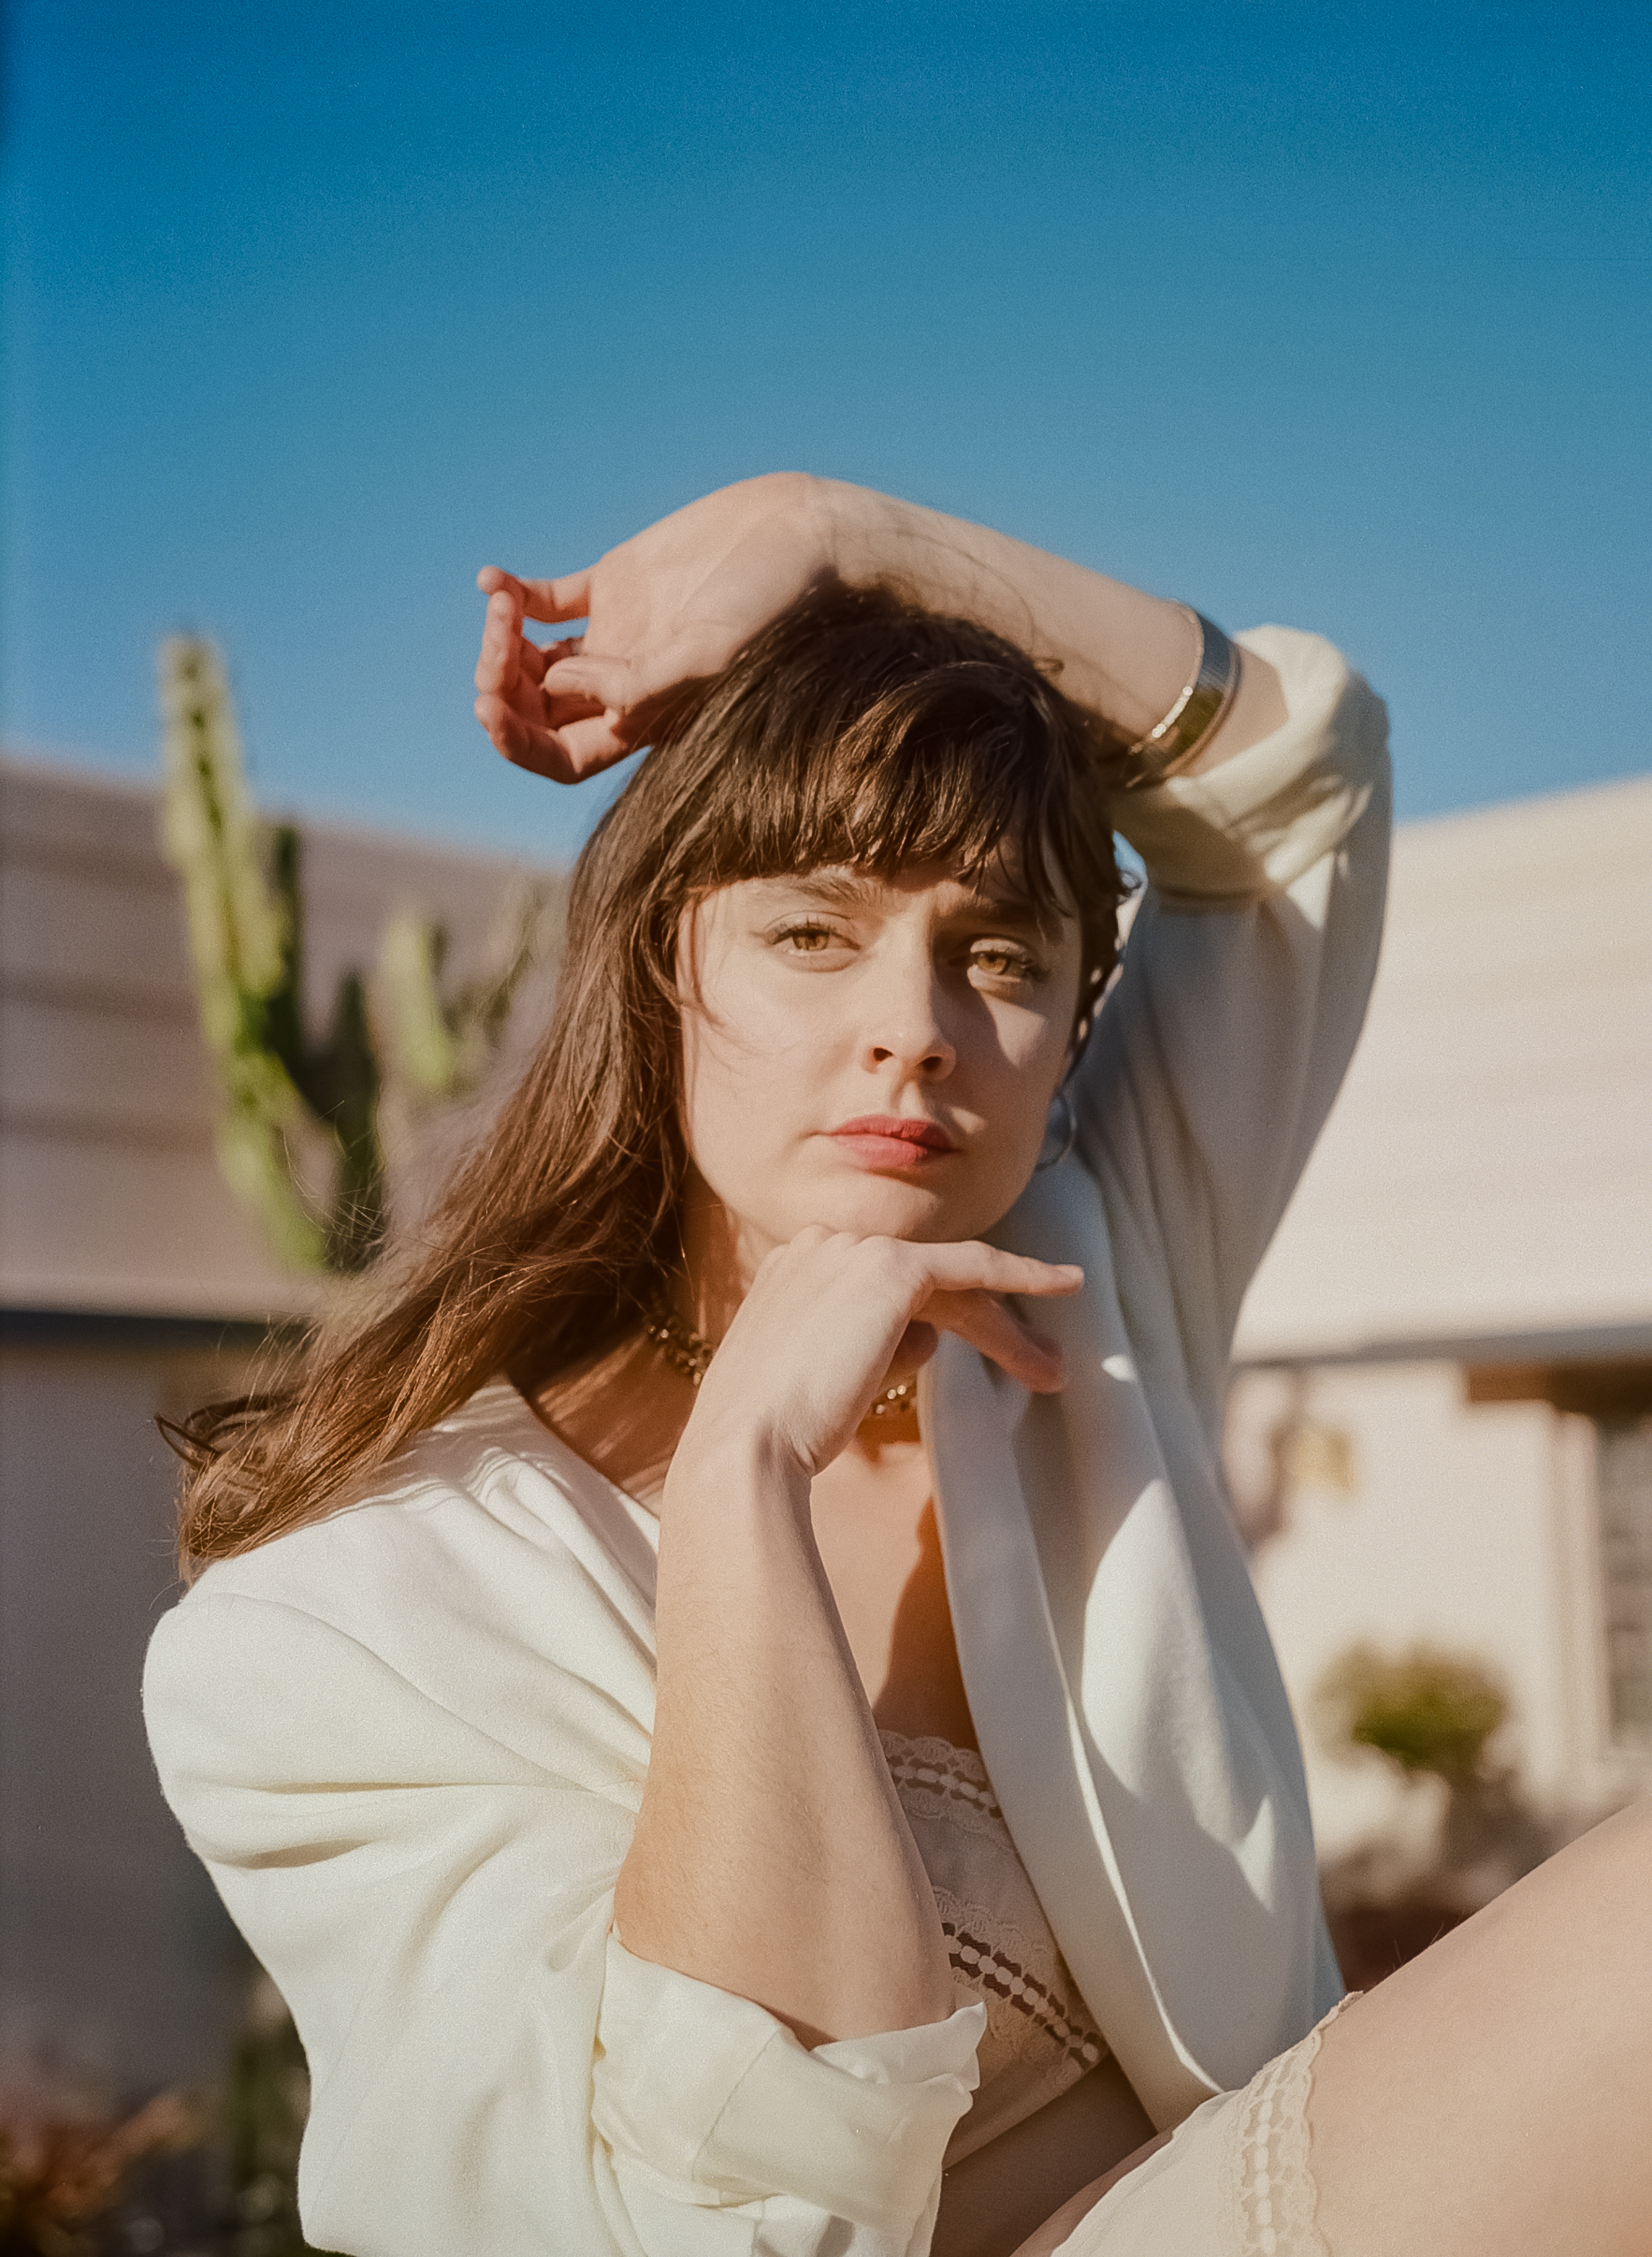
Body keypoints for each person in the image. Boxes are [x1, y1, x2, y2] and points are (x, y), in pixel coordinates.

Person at [144, 474, 1652, 2257]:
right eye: (811, 931)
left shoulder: (1092, 1267)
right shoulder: (337, 1622)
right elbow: (726, 2217)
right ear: (658, 966)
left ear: (1072, 1023)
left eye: (996, 953)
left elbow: (1301, 778)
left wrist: (849, 538)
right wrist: (741, 1477)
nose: (914, 1032)